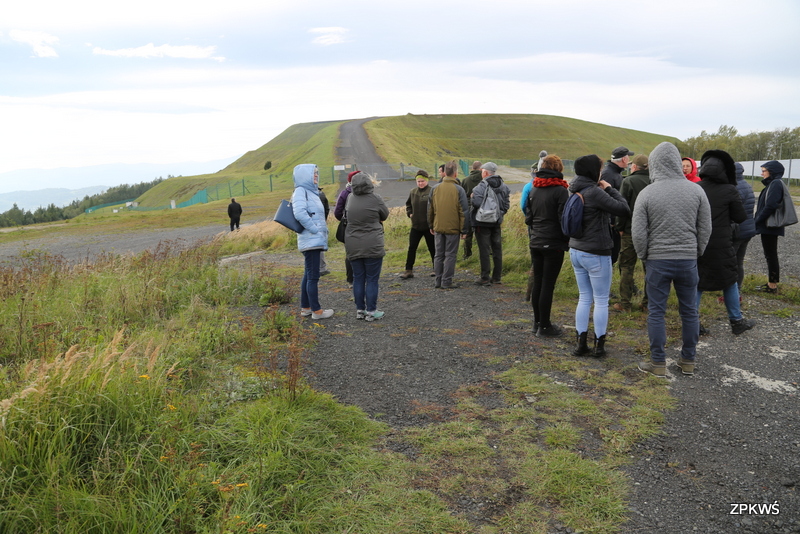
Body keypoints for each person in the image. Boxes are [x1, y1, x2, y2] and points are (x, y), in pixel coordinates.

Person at [632, 142, 711, 377]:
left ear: (654, 164)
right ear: (678, 163)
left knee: (657, 311)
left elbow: (638, 232)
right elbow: (705, 227)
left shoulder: (647, 193)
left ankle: (658, 362)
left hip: (657, 260)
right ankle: (688, 360)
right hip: (687, 259)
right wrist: (696, 251)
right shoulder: (697, 191)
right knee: (689, 311)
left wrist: (644, 255)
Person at [568, 154, 630, 357]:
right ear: (593, 171)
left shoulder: (574, 189)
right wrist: (610, 188)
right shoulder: (594, 192)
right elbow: (623, 209)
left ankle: (580, 344)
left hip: (576, 250)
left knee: (584, 298)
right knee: (601, 300)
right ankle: (599, 346)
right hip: (596, 252)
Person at [695, 149, 754, 335]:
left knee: (697, 283)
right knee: (730, 281)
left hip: (698, 243)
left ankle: (693, 324)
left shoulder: (696, 188)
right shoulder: (729, 189)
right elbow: (740, 217)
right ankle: (736, 322)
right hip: (721, 244)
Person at [524, 154, 569, 337]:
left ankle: (537, 323)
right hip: (553, 243)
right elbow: (563, 220)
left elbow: (528, 217)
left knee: (538, 283)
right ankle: (545, 326)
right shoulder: (560, 191)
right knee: (548, 285)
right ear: (558, 169)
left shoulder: (534, 188)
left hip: (536, 241)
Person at [345, 171, 389, 321]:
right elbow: (385, 214)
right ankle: (371, 311)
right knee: (371, 279)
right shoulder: (375, 199)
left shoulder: (350, 198)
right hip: (372, 243)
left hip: (353, 243)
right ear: (369, 184)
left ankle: (360, 310)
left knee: (358, 278)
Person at [292, 164, 334, 320]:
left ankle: (306, 308)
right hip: (311, 239)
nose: (316, 176)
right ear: (305, 175)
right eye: (313, 174)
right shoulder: (300, 191)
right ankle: (317, 311)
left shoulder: (311, 192)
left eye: (317, 173)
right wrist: (315, 229)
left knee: (308, 274)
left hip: (313, 239)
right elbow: (300, 213)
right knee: (313, 276)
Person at [614, 154, 651, 312]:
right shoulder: (654, 182)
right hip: (650, 232)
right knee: (649, 268)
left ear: (634, 167)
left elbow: (623, 207)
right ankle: (648, 303)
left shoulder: (628, 181)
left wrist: (620, 227)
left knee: (627, 266)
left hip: (630, 230)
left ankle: (625, 303)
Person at [428, 160, 470, 289]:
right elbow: (464, 211)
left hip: (438, 226)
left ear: (445, 172)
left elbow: (430, 209)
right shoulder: (459, 189)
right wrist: (464, 230)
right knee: (450, 254)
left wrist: (431, 225)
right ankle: (446, 281)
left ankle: (438, 280)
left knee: (439, 254)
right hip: (453, 228)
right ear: (455, 174)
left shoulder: (435, 188)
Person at [471, 162, 511, 286]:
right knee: (497, 249)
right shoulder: (504, 186)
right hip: (496, 222)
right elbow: (506, 204)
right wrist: (499, 214)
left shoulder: (480, 187)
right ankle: (497, 277)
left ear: (486, 173)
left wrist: (472, 197)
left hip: (482, 222)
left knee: (484, 249)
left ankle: (485, 277)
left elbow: (476, 203)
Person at [754, 160, 787, 293]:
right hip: (768, 224)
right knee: (770, 254)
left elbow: (771, 205)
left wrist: (757, 220)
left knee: (771, 254)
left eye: (764, 171)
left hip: (770, 225)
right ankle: (772, 283)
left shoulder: (775, 184)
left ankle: (772, 285)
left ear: (772, 172)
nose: (762, 174)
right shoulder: (773, 183)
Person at [400, 170, 436, 279]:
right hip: (415, 226)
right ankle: (408, 270)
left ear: (427, 181)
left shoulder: (432, 191)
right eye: (418, 181)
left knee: (433, 248)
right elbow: (408, 204)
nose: (420, 183)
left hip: (428, 226)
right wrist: (409, 213)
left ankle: (436, 269)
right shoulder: (413, 192)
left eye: (422, 181)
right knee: (412, 248)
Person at [733, 162, 757, 291]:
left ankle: (732, 292)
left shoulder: (735, 188)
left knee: (732, 263)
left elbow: (734, 211)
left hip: (738, 230)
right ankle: (738, 290)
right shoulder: (746, 185)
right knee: (739, 261)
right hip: (748, 229)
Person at [334, 171, 359, 286]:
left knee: (350, 254)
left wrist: (344, 220)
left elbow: (337, 212)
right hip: (365, 228)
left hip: (348, 227)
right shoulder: (368, 192)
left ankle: (351, 280)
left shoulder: (344, 193)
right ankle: (363, 277)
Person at [459, 161, 483, 259]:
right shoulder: (483, 180)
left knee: (468, 233)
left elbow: (461, 195)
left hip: (468, 207)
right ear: (481, 169)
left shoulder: (465, 180)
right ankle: (485, 252)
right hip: (481, 207)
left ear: (472, 168)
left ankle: (467, 254)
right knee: (482, 232)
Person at [318, 186, 331, 276]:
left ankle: (316, 268)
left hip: (307, 226)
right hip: (320, 223)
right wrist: (323, 220)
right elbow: (326, 209)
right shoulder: (321, 195)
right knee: (320, 246)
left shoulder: (300, 193)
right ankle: (322, 268)